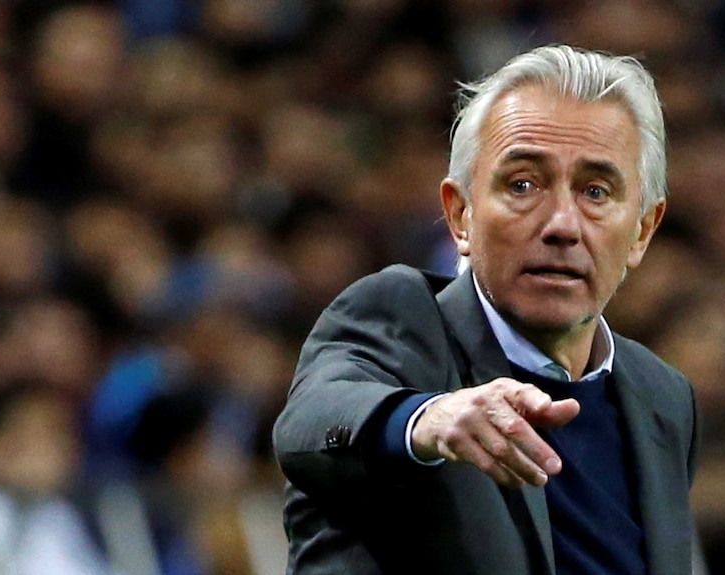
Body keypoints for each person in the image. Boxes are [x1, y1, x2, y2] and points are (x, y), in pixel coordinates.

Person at [272, 44, 700, 575]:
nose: (562, 224)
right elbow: (312, 422)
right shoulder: (402, 319)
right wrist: (426, 420)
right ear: (460, 216)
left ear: (641, 230)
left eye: (595, 190)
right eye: (523, 185)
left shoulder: (664, 399)